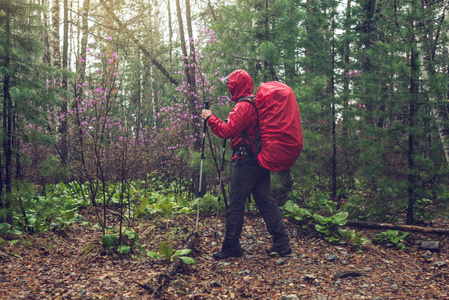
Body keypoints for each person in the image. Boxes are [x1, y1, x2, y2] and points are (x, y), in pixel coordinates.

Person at [201, 69, 292, 260]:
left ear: (235, 86)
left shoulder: (243, 106)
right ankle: (282, 242)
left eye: (229, 85)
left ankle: (231, 246)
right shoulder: (257, 104)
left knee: (236, 204)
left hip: (245, 162)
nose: (228, 88)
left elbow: (227, 131)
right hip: (259, 161)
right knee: (266, 201)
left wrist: (210, 118)